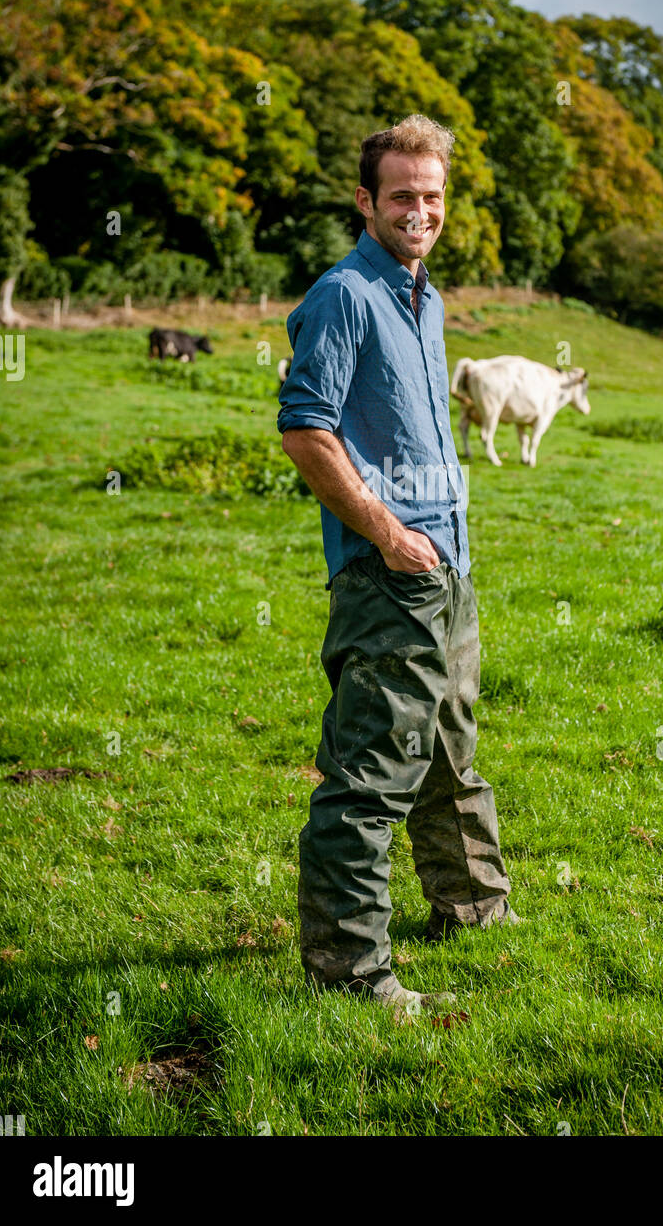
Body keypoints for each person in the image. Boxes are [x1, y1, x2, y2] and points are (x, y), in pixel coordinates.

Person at [278, 113, 517, 1015]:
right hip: (390, 573)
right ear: (366, 201)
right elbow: (307, 428)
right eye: (402, 195)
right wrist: (385, 529)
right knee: (372, 774)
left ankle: (472, 910)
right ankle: (349, 971)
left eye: (432, 194)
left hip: (446, 562)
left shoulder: (425, 294)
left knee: (451, 753)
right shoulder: (345, 293)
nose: (420, 210)